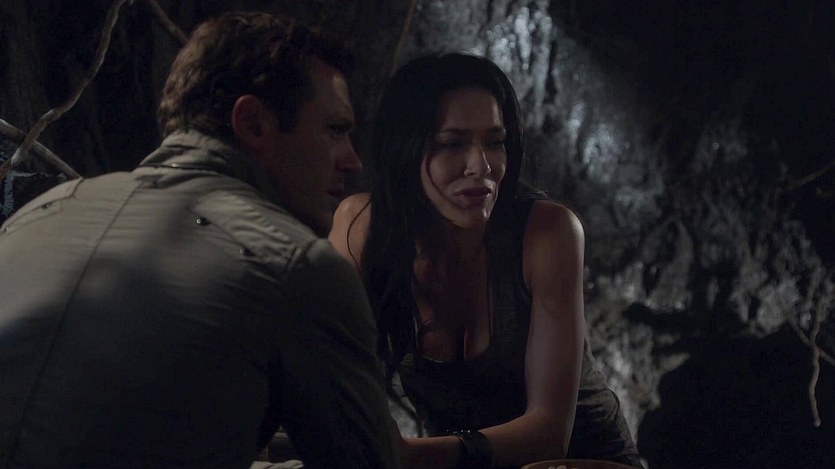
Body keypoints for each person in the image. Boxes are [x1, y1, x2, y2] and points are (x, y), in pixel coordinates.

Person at [0, 11, 400, 469]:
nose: (353, 161)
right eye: (335, 130)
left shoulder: (39, 213)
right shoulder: (298, 266)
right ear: (253, 123)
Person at [329, 53, 641, 469]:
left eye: (495, 142)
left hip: (584, 463)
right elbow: (323, 373)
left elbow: (549, 433)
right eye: (452, 144)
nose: (483, 166)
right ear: (404, 149)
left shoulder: (548, 233)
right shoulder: (360, 229)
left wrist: (407, 454)